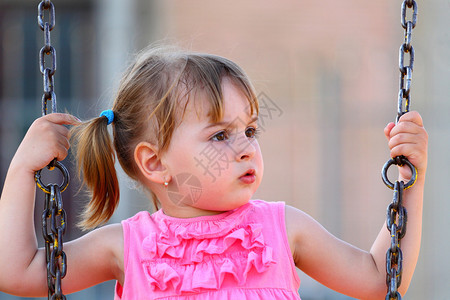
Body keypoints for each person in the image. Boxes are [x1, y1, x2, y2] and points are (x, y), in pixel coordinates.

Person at [0, 46, 427, 299]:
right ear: (155, 163)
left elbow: (378, 278)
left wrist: (412, 180)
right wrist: (23, 171)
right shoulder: (127, 245)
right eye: (221, 136)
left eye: (250, 129)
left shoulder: (281, 228)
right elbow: (17, 272)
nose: (247, 148)